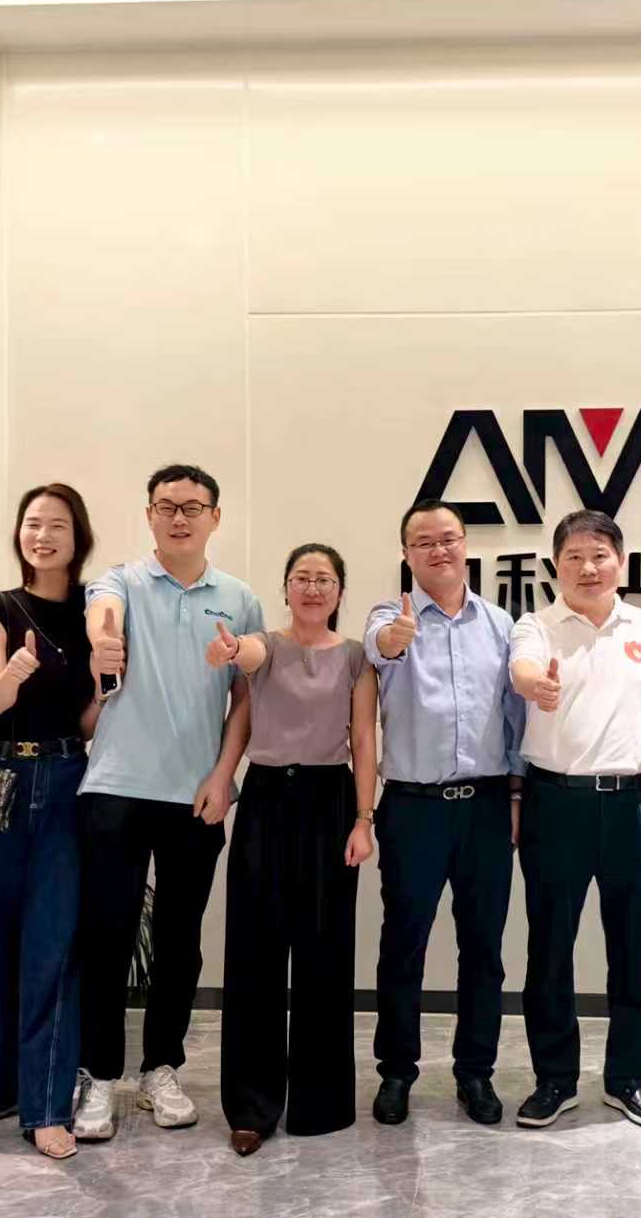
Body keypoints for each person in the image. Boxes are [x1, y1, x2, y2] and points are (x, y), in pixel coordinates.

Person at [72, 464, 263, 1140]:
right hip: (116, 788)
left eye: (192, 507)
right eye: (166, 506)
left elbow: (247, 698)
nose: (179, 518)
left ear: (216, 516)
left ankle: (161, 1068)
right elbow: (101, 614)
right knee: (106, 937)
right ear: (149, 514)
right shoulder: (121, 581)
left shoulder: (238, 598)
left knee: (180, 942)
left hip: (195, 796)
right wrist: (103, 639)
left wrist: (223, 774)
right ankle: (98, 1074)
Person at [508, 509, 641, 1132]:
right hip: (556, 803)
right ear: (556, 565)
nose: (588, 567)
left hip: (634, 804)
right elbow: (522, 671)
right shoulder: (536, 626)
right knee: (550, 950)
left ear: (621, 562)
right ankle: (555, 1080)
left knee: (634, 951)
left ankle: (627, 1078)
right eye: (575, 556)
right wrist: (538, 686)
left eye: (600, 554)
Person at [209, 543, 379, 1155]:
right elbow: (245, 684)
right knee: (254, 951)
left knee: (324, 951)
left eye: (324, 579)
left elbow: (364, 738)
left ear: (339, 592)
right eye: (301, 578)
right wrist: (233, 650)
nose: (312, 588)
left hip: (330, 801)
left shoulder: (357, 657)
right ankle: (251, 1108)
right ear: (285, 588)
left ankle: (320, 1103)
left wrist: (364, 819)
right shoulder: (264, 646)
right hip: (266, 800)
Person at [365, 498, 526, 1128]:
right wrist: (395, 640)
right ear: (407, 553)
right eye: (424, 542)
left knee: (483, 946)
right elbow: (380, 648)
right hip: (414, 809)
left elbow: (515, 718)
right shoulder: (390, 615)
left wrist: (516, 796)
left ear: (465, 545)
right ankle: (396, 1071)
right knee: (403, 943)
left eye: (449, 538)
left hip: (485, 806)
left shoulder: (500, 624)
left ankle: (475, 1072)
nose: (439, 550)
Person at [0, 484, 101, 1160]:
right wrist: (15, 670)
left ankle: (46, 1107)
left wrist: (108, 690)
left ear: (79, 538)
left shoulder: (92, 611)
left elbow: (86, 722)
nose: (42, 536)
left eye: (56, 526)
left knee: (54, 944)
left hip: (67, 775)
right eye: (32, 523)